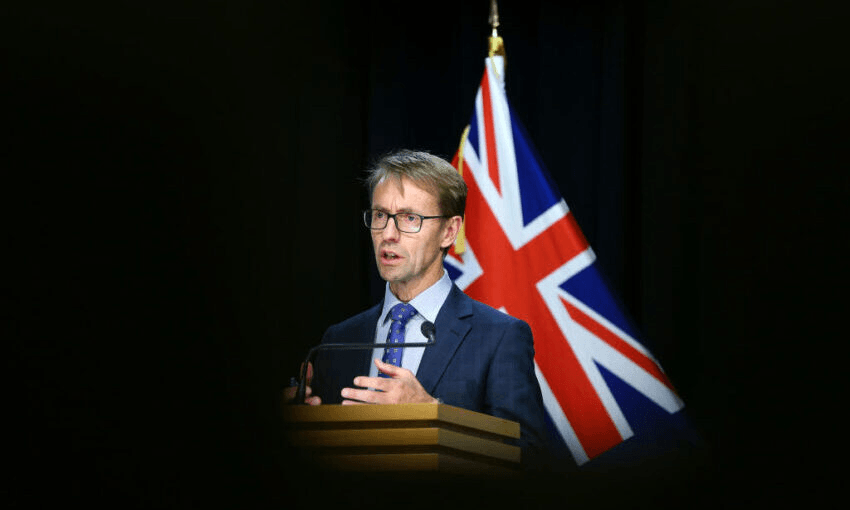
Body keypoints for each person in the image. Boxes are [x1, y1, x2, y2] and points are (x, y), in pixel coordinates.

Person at [287, 150, 549, 460]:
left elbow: (529, 457)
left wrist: (431, 414)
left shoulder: (499, 337)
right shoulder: (338, 339)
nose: (388, 234)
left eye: (410, 218)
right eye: (381, 215)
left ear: (449, 231)